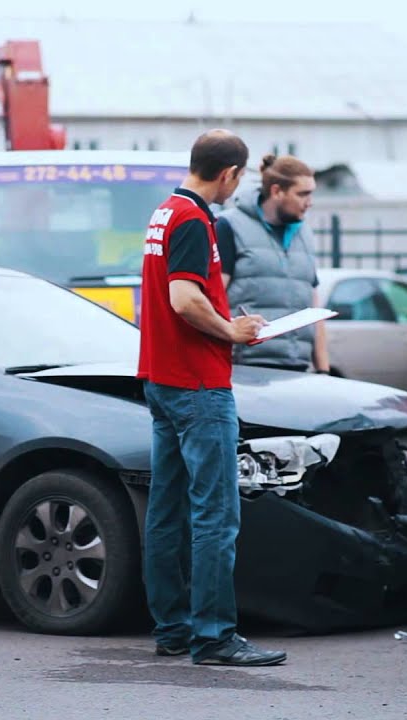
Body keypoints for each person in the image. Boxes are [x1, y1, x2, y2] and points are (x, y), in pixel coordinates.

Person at [136, 129, 287, 667]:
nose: (237, 186)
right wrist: (232, 331)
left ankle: (173, 630)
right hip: (198, 385)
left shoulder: (163, 213)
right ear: (228, 174)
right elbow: (183, 297)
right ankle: (214, 636)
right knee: (215, 516)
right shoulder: (195, 221)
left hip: (161, 379)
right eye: (239, 177)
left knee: (167, 511)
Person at [215, 154, 329, 373]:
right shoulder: (229, 226)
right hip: (245, 367)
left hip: (297, 367)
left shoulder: (304, 232)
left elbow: (314, 305)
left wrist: (323, 369)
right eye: (303, 194)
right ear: (277, 191)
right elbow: (213, 297)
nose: (310, 202)